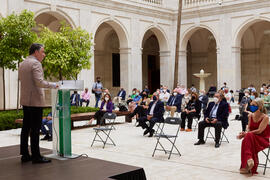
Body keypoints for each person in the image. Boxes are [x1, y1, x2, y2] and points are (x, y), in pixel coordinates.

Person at [19, 43, 58, 164]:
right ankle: (36, 156)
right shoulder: (36, 63)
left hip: (26, 100)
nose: (44, 54)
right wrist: (53, 85)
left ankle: (25, 154)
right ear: (36, 52)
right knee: (35, 129)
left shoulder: (23, 63)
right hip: (35, 101)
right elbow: (39, 82)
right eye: (42, 51)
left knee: (26, 128)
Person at [237, 98, 270, 174]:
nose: (251, 106)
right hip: (252, 138)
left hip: (262, 139)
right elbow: (248, 129)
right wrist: (244, 133)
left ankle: (247, 163)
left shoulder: (265, 117)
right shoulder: (250, 116)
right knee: (248, 137)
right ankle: (249, 160)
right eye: (251, 105)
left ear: (259, 107)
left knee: (247, 137)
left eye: (253, 105)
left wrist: (246, 134)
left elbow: (259, 131)